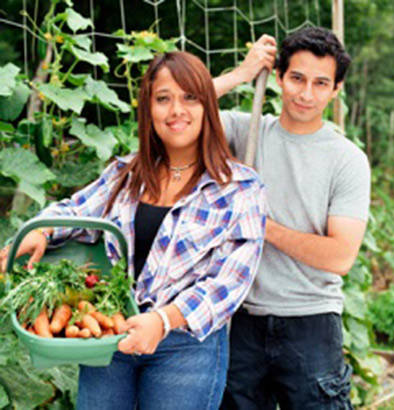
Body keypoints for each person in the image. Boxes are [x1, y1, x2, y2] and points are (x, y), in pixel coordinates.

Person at [0, 51, 266, 410]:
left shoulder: (239, 188)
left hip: (185, 346)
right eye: (163, 99)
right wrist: (41, 232)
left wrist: (162, 320)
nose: (176, 111)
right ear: (148, 109)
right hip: (110, 335)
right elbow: (77, 210)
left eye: (190, 98)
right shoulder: (126, 173)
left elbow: (230, 281)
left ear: (208, 106)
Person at [214, 27, 371, 409]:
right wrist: (240, 75)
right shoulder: (245, 130)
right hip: (242, 318)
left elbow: (339, 257)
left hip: (311, 321)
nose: (305, 93)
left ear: (336, 91)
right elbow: (167, 109)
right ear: (279, 77)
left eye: (321, 83)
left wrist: (261, 225)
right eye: (297, 78)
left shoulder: (347, 160)